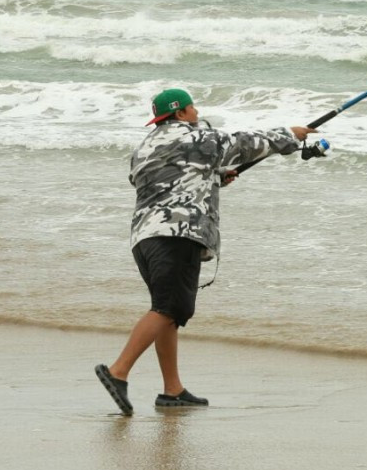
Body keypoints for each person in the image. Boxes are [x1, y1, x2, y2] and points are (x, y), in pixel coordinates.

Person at [96, 88, 315, 415]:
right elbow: (241, 144)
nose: (196, 112)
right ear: (181, 113)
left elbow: (162, 178)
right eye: (192, 107)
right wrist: (288, 135)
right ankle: (119, 371)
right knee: (170, 308)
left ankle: (173, 391)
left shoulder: (144, 148)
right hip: (178, 234)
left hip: (144, 238)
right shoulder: (198, 138)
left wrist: (210, 176)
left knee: (167, 311)